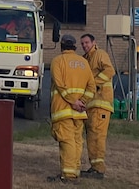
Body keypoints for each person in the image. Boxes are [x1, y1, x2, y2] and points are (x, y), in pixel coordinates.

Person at [49, 34, 96, 183]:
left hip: (63, 110)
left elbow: (60, 85)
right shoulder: (84, 63)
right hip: (79, 112)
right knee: (77, 142)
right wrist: (82, 101)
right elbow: (92, 87)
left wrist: (73, 101)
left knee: (67, 141)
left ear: (62, 46)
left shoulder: (57, 61)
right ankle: (74, 171)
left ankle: (68, 175)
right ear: (75, 47)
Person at [80, 33, 115, 179]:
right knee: (92, 136)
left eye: (87, 42)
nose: (84, 45)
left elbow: (110, 71)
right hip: (92, 105)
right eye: (82, 43)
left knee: (98, 137)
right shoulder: (85, 59)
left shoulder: (100, 54)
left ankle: (99, 169)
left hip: (101, 103)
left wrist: (93, 83)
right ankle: (94, 167)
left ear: (93, 42)